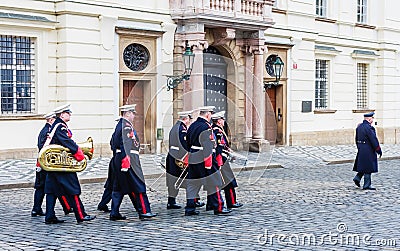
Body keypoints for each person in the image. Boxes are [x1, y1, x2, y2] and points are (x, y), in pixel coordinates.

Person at [44, 104, 96, 224]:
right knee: (73, 189)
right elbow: (66, 141)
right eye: (68, 112)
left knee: (51, 191)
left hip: (54, 165)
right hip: (61, 166)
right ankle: (81, 215)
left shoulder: (55, 125)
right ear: (62, 114)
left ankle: (50, 216)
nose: (70, 114)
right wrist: (78, 152)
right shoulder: (60, 126)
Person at [109, 104, 157, 220]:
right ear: (127, 113)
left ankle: (114, 212)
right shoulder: (126, 126)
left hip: (119, 157)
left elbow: (113, 144)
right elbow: (125, 144)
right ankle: (144, 211)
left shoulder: (119, 126)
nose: (134, 116)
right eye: (133, 113)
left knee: (118, 187)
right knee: (138, 184)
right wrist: (126, 160)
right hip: (129, 158)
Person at [184, 106, 231, 216]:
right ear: (208, 114)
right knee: (214, 182)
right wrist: (209, 164)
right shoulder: (206, 127)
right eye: (210, 114)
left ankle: (190, 208)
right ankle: (219, 207)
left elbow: (188, 143)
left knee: (192, 183)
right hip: (204, 158)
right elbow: (208, 146)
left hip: (193, 157)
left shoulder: (192, 125)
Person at [32, 112, 73, 217]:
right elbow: (44, 147)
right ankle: (38, 209)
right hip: (46, 163)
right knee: (50, 187)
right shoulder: (47, 131)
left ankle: (37, 209)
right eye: (54, 119)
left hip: (45, 163)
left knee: (45, 187)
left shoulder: (48, 130)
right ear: (50, 120)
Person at [211, 111, 243, 209]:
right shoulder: (218, 131)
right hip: (221, 159)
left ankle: (211, 204)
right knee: (229, 181)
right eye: (222, 119)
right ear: (219, 121)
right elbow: (219, 148)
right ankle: (231, 202)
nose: (224, 121)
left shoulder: (216, 130)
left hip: (221, 158)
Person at [353, 112, 382, 190]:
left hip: (361, 148)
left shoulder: (359, 127)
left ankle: (357, 178)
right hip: (368, 149)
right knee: (368, 167)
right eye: (372, 118)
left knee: (363, 165)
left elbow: (356, 138)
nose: (372, 120)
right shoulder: (369, 128)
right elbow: (373, 139)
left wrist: (359, 147)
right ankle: (367, 185)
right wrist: (378, 149)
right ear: (369, 119)